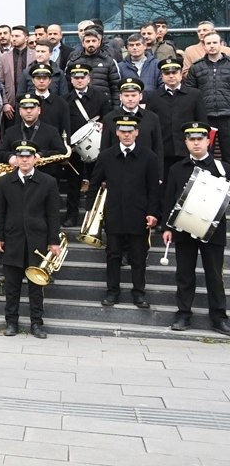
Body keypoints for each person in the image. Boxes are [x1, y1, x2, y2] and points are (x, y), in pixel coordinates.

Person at [161, 122, 230, 334]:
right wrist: (167, 228)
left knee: (214, 275)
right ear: (186, 142)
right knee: (184, 274)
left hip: (213, 231)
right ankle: (183, 315)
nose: (196, 143)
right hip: (183, 228)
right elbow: (168, 199)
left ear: (208, 141)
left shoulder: (223, 168)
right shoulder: (176, 169)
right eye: (192, 139)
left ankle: (219, 317)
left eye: (200, 139)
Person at [0, 141, 61, 339]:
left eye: (28, 156)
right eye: (20, 156)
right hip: (12, 240)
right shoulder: (5, 181)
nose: (24, 160)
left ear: (35, 159)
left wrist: (53, 241)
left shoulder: (48, 182)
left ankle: (36, 323)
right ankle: (11, 322)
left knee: (36, 287)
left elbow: (53, 214)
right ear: (16, 158)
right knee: (12, 286)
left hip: (37, 242)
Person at [90, 116, 161, 308]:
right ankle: (112, 292)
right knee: (113, 255)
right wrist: (91, 211)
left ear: (137, 132)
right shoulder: (106, 156)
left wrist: (153, 213)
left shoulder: (149, 157)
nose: (127, 135)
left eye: (130, 131)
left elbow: (154, 189)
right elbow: (94, 183)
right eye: (123, 131)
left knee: (139, 257)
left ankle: (139, 293)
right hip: (113, 213)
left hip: (139, 215)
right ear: (117, 133)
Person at [63, 61, 111, 227]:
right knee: (73, 183)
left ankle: (97, 217)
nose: (79, 80)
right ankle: (71, 215)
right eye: (76, 77)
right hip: (73, 149)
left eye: (82, 77)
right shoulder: (65, 100)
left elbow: (108, 119)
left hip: (96, 148)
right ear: (71, 79)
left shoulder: (100, 97)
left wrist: (103, 124)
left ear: (88, 78)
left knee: (96, 183)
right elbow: (61, 125)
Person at [144, 58, 206, 173]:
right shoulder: (154, 96)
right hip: (163, 151)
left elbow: (202, 122)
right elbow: (149, 124)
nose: (171, 76)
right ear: (162, 76)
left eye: (174, 72)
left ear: (181, 74)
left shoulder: (194, 94)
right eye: (167, 73)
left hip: (188, 150)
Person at [99, 78, 164, 175]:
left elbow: (157, 148)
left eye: (133, 95)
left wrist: (159, 175)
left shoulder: (152, 118)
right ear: (120, 97)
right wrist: (103, 176)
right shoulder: (109, 118)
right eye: (126, 95)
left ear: (140, 96)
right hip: (117, 172)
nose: (130, 99)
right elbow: (104, 149)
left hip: (145, 171)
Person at [184, 32, 230, 160]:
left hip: (227, 116)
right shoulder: (196, 67)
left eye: (215, 42)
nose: (212, 45)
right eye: (208, 43)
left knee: (228, 154)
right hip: (205, 116)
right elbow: (190, 92)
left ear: (221, 44)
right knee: (205, 154)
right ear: (204, 46)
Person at [0, 25, 35, 121]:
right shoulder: (4, 58)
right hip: (11, 106)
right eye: (12, 36)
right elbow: (0, 82)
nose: (14, 39)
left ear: (26, 38)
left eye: (17, 36)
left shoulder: (35, 56)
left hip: (32, 102)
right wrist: (5, 103)